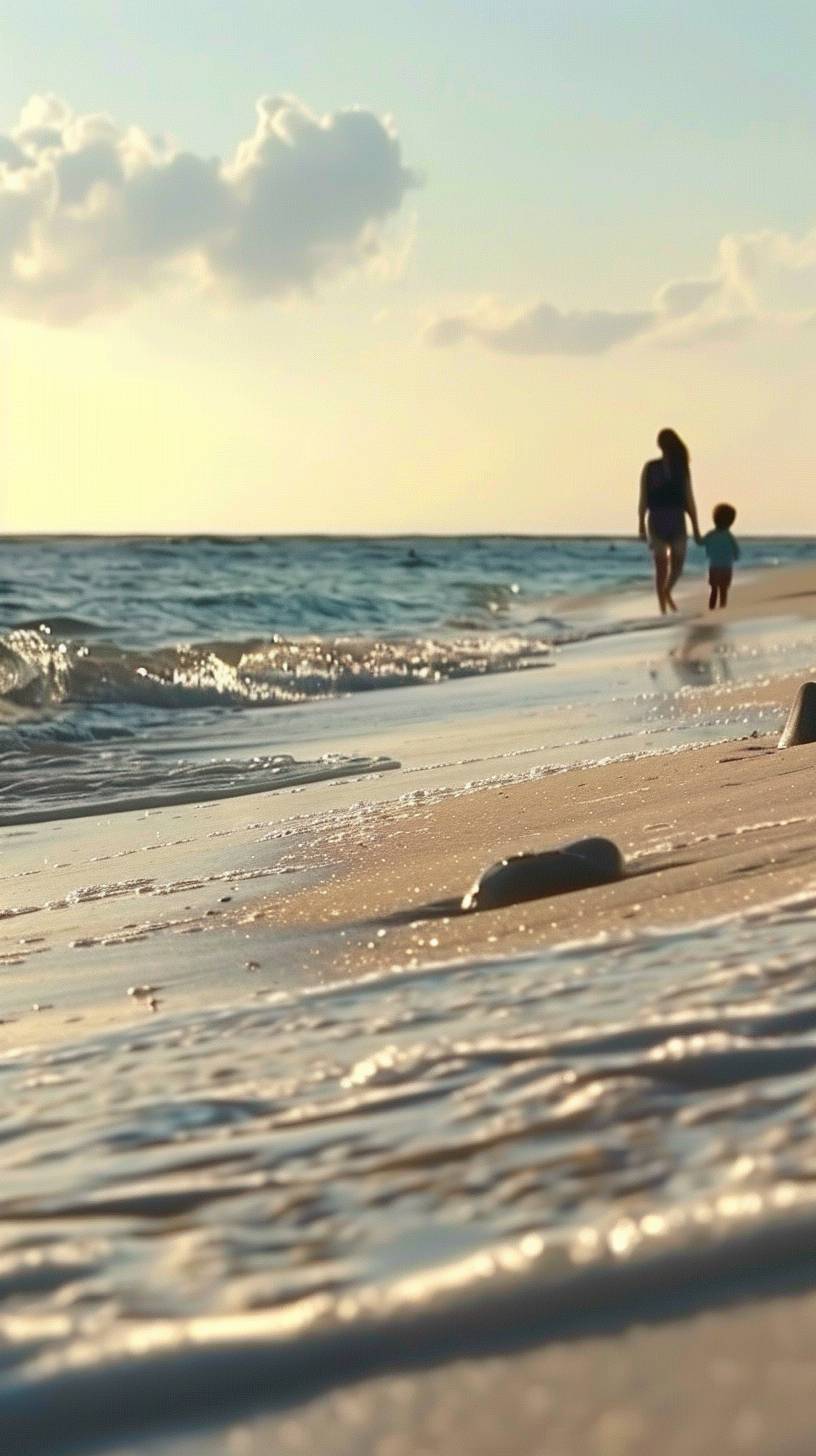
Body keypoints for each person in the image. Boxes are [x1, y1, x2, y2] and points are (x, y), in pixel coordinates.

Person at [638, 428, 703, 613]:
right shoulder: (651, 467)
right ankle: (663, 609)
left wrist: (696, 528)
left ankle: (666, 593)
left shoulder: (681, 468)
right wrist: (641, 523)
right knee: (662, 566)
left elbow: (689, 499)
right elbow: (643, 497)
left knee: (676, 565)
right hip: (659, 519)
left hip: (675, 519)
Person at [703, 502, 740, 609]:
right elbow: (735, 549)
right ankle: (722, 606)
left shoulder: (711, 534)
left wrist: (695, 531)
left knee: (714, 589)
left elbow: (700, 542)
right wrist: (736, 556)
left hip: (714, 566)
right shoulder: (728, 535)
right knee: (723, 589)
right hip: (726, 566)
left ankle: (712, 608)